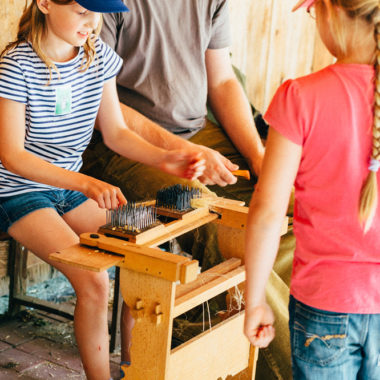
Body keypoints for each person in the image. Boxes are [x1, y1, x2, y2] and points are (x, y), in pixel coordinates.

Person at [0, 1, 205, 379]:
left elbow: (117, 133)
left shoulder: (97, 56)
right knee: (93, 279)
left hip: (69, 191)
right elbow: (12, 156)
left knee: (150, 260)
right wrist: (86, 182)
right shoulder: (17, 65)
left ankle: (134, 370)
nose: (92, 22)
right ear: (45, 3)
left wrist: (166, 159)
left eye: (97, 13)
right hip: (20, 191)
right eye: (81, 11)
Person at [244, 0, 380, 379]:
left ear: (333, 12)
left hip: (325, 304)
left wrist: (254, 301)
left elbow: (268, 211)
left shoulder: (299, 98)